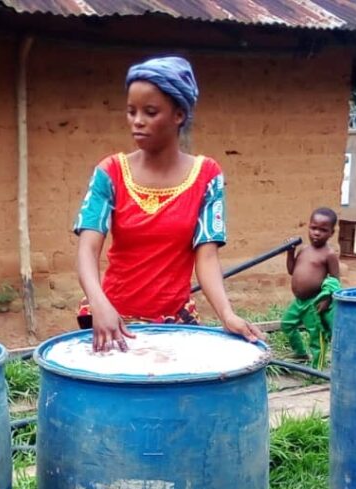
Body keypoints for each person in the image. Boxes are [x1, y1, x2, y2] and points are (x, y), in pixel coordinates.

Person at [73, 55, 261, 352]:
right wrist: (99, 304)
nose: (137, 121)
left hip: (175, 322)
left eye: (150, 112)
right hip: (113, 321)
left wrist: (226, 314)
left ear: (179, 115)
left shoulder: (207, 176)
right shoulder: (110, 173)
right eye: (131, 111)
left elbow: (206, 257)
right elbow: (88, 248)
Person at [280, 208, 342, 368]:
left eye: (323, 230)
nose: (317, 233)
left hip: (314, 303)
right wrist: (290, 253)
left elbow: (335, 280)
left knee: (316, 334)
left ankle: (318, 368)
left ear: (331, 233)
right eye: (314, 228)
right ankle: (300, 353)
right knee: (287, 324)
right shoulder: (303, 250)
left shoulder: (329, 254)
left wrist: (327, 299)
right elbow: (291, 270)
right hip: (298, 302)